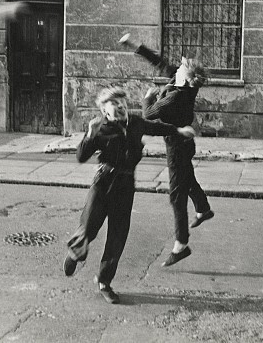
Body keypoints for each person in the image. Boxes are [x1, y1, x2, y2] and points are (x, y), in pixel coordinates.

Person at [63, 87, 195, 303]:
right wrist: (89, 134)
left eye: (123, 103)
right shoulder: (100, 128)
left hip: (125, 186)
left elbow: (156, 128)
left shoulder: (135, 123)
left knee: (118, 235)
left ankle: (104, 282)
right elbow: (80, 156)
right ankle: (75, 254)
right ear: (105, 112)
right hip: (103, 183)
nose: (121, 107)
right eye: (115, 105)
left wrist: (178, 131)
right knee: (88, 227)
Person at [119, 34, 214, 267]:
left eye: (181, 67)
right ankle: (203, 208)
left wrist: (147, 98)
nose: (177, 66)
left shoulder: (175, 98)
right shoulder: (179, 80)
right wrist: (136, 46)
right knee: (187, 178)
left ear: (185, 78)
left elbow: (149, 115)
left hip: (177, 147)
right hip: (185, 144)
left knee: (176, 195)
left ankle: (181, 244)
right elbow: (159, 62)